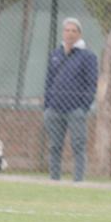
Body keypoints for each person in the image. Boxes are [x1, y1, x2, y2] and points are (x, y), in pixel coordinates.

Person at [43, 18, 98, 182]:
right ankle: (54, 179)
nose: (70, 34)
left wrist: (83, 107)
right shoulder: (55, 54)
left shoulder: (87, 56)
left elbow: (91, 83)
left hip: (75, 110)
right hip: (55, 109)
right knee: (54, 146)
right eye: (67, 30)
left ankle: (78, 181)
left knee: (78, 146)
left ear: (79, 34)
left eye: (74, 31)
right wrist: (47, 106)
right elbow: (49, 81)